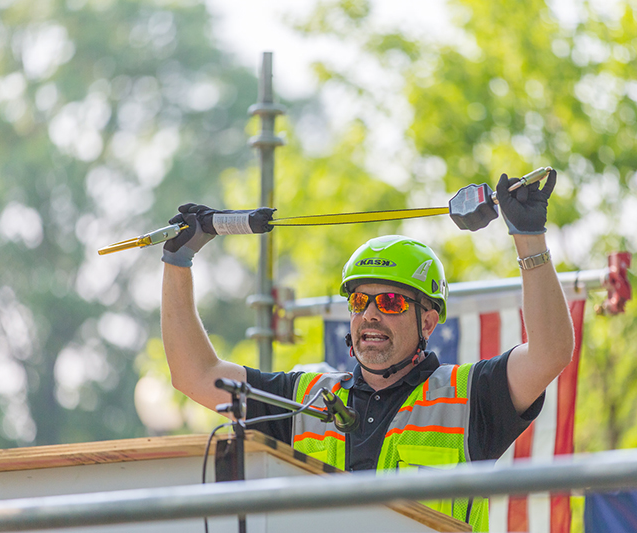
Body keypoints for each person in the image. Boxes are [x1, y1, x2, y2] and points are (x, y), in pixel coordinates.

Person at [160, 172, 574, 532]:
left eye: (390, 303)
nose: (370, 315)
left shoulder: (470, 396)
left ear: (427, 322)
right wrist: (178, 262)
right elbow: (196, 375)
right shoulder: (304, 400)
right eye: (359, 303)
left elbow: (550, 352)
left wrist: (528, 238)